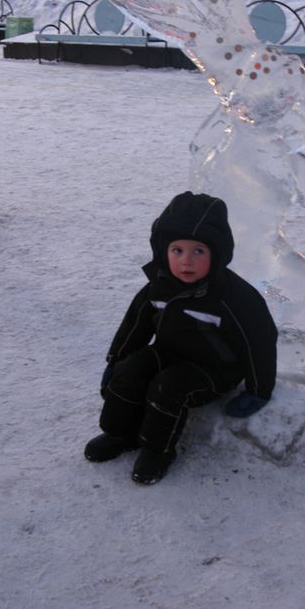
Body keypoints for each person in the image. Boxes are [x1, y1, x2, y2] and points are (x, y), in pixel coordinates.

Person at [84, 191, 277, 485]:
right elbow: (134, 326)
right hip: (169, 352)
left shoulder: (232, 297)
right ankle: (121, 434)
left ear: (217, 254)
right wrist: (116, 361)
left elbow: (259, 341)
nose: (186, 262)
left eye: (198, 251)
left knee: (168, 387)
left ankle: (157, 450)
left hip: (215, 368)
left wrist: (258, 389)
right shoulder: (159, 287)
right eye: (177, 251)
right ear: (164, 251)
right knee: (130, 371)